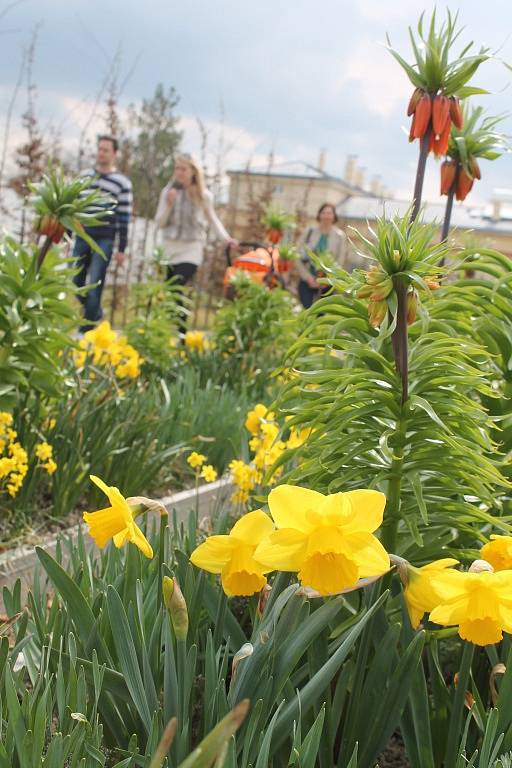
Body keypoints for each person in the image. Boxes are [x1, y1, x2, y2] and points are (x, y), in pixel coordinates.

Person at [154, 153, 237, 332]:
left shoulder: (203, 195)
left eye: (183, 169)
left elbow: (213, 219)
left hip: (191, 248)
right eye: (177, 168)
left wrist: (226, 239)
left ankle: (181, 334)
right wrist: (169, 205)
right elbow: (160, 222)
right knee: (172, 293)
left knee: (179, 284)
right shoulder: (168, 192)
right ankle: (175, 330)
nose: (179, 172)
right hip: (170, 247)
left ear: (193, 172)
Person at [72, 135, 132, 332]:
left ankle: (85, 330)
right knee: (76, 281)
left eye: (106, 150)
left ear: (114, 153)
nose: (101, 153)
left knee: (95, 283)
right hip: (82, 235)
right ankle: (95, 312)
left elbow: (124, 217)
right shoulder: (84, 177)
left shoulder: (121, 183)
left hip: (105, 238)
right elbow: (71, 208)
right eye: (99, 149)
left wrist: (122, 248)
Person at [296, 203, 348, 309]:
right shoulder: (309, 231)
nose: (326, 216)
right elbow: (296, 254)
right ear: (319, 215)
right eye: (323, 213)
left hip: (327, 283)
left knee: (321, 314)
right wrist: (308, 277)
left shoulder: (340, 236)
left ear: (334, 216)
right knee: (306, 309)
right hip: (308, 280)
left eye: (329, 213)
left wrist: (327, 280)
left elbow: (340, 262)